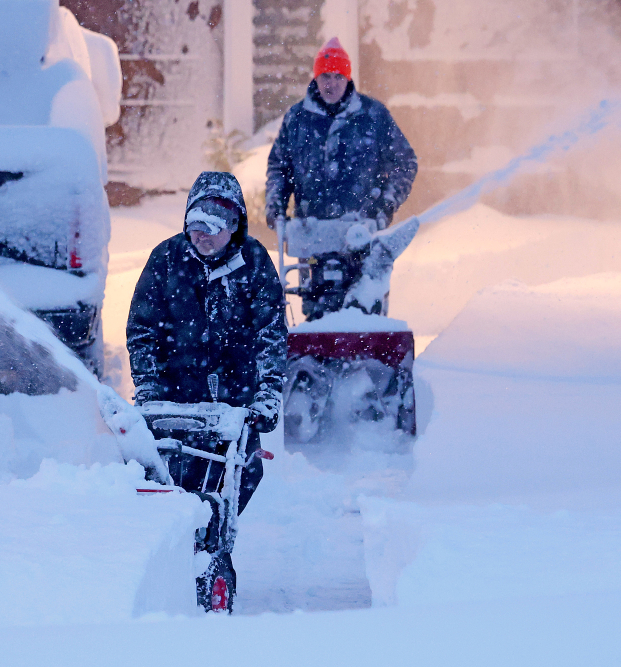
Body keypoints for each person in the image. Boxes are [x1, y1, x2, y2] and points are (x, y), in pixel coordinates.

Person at [126, 171, 286, 515]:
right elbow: (142, 330)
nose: (203, 234)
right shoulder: (166, 260)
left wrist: (268, 394)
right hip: (175, 402)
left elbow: (270, 334)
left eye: (214, 225)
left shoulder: (254, 263)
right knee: (174, 486)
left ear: (234, 225)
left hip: (235, 404)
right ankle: (181, 547)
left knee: (239, 479)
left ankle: (214, 545)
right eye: (196, 223)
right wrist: (149, 387)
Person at [265, 37, 418, 319]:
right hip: (313, 234)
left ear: (348, 78)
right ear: (316, 77)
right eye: (325, 76)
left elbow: (405, 163)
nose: (330, 83)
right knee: (317, 315)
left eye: (337, 76)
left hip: (362, 233)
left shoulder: (373, 116)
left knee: (365, 311)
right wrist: (275, 206)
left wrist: (385, 205)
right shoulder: (297, 120)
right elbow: (279, 167)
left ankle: (366, 359)